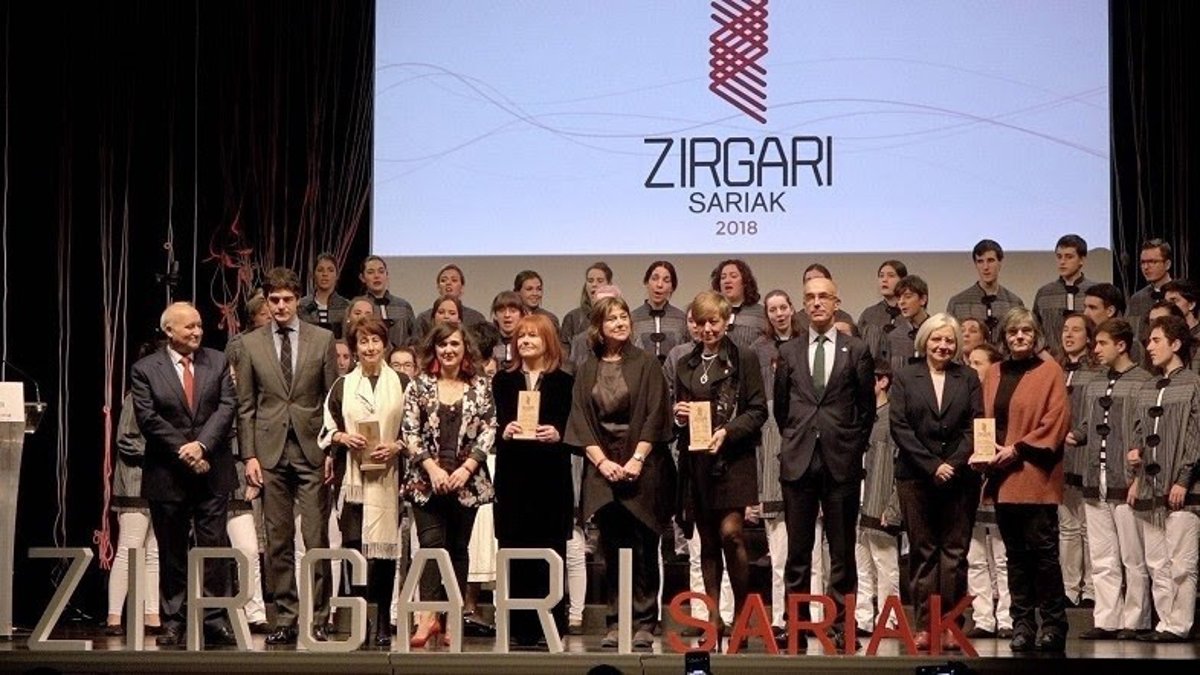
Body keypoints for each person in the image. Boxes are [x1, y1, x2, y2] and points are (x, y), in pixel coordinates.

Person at [235, 266, 339, 645]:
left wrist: (332, 449)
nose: (280, 306)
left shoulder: (322, 338)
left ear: (298, 300)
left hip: (312, 448)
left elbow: (332, 399)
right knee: (278, 540)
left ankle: (320, 616)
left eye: (287, 299)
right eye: (274, 300)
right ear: (266, 301)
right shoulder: (250, 344)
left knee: (315, 537)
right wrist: (249, 456)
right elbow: (246, 405)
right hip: (270, 451)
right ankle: (286, 616)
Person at [565, 296, 674, 650]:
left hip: (643, 466)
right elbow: (580, 420)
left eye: (623, 316)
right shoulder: (587, 368)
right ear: (599, 326)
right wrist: (603, 463)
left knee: (644, 545)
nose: (620, 322)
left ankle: (645, 622)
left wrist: (636, 459)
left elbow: (656, 414)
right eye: (611, 318)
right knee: (610, 547)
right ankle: (615, 621)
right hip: (604, 468)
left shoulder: (647, 363)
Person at [773, 276, 875, 651]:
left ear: (836, 303)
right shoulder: (789, 351)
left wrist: (849, 445)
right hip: (799, 460)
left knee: (842, 551)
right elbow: (782, 408)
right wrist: (797, 438)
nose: (816, 303)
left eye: (824, 297)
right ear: (804, 305)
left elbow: (866, 410)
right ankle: (796, 625)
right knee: (798, 551)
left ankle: (842, 626)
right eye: (810, 298)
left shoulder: (857, 349)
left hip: (841, 461)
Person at [130, 302, 239, 647]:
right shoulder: (145, 369)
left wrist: (202, 446)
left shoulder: (218, 361)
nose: (197, 332)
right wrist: (186, 451)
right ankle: (174, 619)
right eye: (189, 326)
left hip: (212, 469)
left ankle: (214, 618)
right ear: (169, 331)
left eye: (199, 325)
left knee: (214, 549)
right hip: (168, 473)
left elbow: (227, 408)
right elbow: (148, 419)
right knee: (172, 551)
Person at [973, 307, 1070, 652]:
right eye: (1013, 332)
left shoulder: (1050, 370)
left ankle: (1054, 625)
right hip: (1002, 477)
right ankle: (1022, 625)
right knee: (1014, 557)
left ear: (1036, 335)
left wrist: (1016, 449)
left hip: (1035, 475)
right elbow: (985, 419)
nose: (1019, 337)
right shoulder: (994, 372)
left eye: (1026, 331)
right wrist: (984, 453)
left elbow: (1056, 421)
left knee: (1043, 556)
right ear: (1004, 337)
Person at [672, 291, 767, 631]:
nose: (707, 329)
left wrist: (727, 432)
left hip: (733, 460)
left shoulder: (745, 358)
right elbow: (677, 413)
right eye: (701, 323)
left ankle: (741, 614)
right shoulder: (685, 363)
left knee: (732, 535)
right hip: (697, 462)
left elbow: (758, 410)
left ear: (727, 321)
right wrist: (679, 416)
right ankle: (713, 619)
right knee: (708, 543)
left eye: (713, 321)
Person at [890, 313, 982, 650]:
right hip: (916, 476)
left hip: (960, 478)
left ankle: (951, 625)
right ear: (924, 341)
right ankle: (926, 626)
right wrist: (932, 466)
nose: (943, 346)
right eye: (936, 339)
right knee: (924, 552)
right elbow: (899, 427)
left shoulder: (968, 377)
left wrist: (952, 464)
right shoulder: (905, 376)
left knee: (954, 554)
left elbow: (976, 425)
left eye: (949, 340)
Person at [401, 322, 496, 648]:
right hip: (426, 482)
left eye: (454, 344)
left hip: (466, 482)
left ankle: (453, 616)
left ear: (464, 347)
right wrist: (432, 469)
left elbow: (489, 430)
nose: (448, 350)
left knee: (458, 548)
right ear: (434, 349)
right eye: (442, 345)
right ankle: (428, 616)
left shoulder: (480, 386)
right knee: (430, 544)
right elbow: (409, 432)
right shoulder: (418, 385)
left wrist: (466, 470)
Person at [317, 315, 408, 647]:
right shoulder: (342, 385)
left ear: (385, 344)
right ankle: (361, 619)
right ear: (354, 348)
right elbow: (326, 428)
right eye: (363, 341)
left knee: (383, 554)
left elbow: (414, 428)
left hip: (388, 477)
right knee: (355, 549)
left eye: (375, 340)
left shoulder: (402, 382)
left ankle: (382, 619)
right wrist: (343, 437)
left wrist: (397, 445)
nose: (370, 347)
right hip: (352, 480)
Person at [492, 313, 575, 648]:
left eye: (533, 336)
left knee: (550, 551)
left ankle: (551, 626)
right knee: (514, 549)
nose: (526, 341)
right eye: (521, 337)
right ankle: (518, 626)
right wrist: (504, 431)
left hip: (550, 479)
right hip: (514, 478)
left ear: (548, 342)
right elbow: (489, 426)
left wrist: (559, 433)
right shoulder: (502, 381)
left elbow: (576, 428)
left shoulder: (564, 382)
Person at [1069, 318, 1152, 640]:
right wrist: (1074, 435)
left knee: (1133, 556)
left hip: (1125, 478)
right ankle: (1107, 619)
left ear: (1121, 345)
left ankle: (1136, 620)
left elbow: (1146, 431)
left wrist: (1138, 475)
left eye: (1103, 343)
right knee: (1102, 556)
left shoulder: (1143, 382)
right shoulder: (1094, 383)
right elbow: (1087, 424)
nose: (1097, 349)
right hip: (1095, 477)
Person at [1126, 315, 1200, 643]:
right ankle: (1165, 622)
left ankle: (1180, 624)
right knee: (1157, 560)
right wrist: (1136, 458)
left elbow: (1195, 436)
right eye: (1149, 341)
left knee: (1181, 561)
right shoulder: (1148, 387)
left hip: (1183, 487)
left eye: (1156, 340)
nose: (1150, 347)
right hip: (1151, 487)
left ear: (1176, 344)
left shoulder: (1194, 384)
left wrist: (1184, 478)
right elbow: (1140, 431)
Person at [106, 343, 162, 636]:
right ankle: (114, 616)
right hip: (136, 481)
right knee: (129, 549)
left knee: (153, 551)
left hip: (159, 482)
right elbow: (126, 439)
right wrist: (163, 453)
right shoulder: (136, 397)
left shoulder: (162, 398)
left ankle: (152, 615)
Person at [962, 342, 1012, 640]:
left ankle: (1006, 617)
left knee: (1003, 558)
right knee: (976, 557)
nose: (971, 368)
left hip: (1000, 480)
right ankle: (983, 618)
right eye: (969, 362)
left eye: (978, 363)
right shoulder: (965, 396)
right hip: (970, 483)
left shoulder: (1001, 397)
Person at [855, 358, 901, 635]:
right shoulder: (859, 416)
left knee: (885, 564)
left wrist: (894, 505)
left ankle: (889, 619)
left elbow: (902, 465)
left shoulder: (893, 418)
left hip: (880, 499)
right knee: (861, 566)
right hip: (858, 500)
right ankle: (863, 619)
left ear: (882, 381)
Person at [1058, 313, 1100, 609]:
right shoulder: (1056, 370)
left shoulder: (1096, 373)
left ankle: (1092, 589)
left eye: (1076, 330)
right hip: (1059, 458)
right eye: (1065, 330)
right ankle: (1069, 587)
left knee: (1088, 527)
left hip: (1085, 456)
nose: (1069, 335)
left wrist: (1078, 433)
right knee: (1068, 526)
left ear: (1089, 336)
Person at [946, 239, 1025, 343]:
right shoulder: (957, 303)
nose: (985, 267)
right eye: (980, 261)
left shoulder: (1014, 302)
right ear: (975, 264)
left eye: (990, 261)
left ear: (1000, 262)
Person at [1033, 235, 1097, 358]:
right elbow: (1036, 331)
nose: (1062, 262)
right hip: (1051, 360)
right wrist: (1045, 356)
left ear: (1082, 260)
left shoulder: (1095, 291)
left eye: (1069, 257)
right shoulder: (1044, 293)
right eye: (1059, 257)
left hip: (1090, 361)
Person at [631, 261, 688, 365]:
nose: (659, 284)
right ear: (646, 282)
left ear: (672, 287)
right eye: (654, 278)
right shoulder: (633, 318)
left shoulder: (682, 319)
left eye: (666, 280)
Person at [414, 264, 489, 336]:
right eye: (443, 280)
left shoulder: (476, 318)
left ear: (462, 288)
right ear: (438, 288)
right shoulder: (424, 318)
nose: (448, 283)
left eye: (454, 280)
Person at [710, 259, 767, 351]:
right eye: (723, 277)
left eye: (733, 276)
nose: (727, 281)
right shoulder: (710, 311)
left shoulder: (761, 314)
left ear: (745, 282)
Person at [359, 255, 416, 348]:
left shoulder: (403, 306)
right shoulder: (359, 307)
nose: (376, 276)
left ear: (387, 275)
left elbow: (415, 339)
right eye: (370, 272)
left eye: (381, 271)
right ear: (362, 277)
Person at [560, 262, 613, 351]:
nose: (594, 284)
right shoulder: (572, 318)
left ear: (609, 285)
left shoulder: (617, 315)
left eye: (600, 281)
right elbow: (565, 353)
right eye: (590, 281)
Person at [1127, 238, 1174, 337]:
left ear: (1167, 264)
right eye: (1142, 262)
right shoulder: (1137, 299)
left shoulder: (1181, 295)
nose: (1146, 267)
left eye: (1152, 262)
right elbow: (1131, 333)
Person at [299, 253, 351, 338]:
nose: (325, 274)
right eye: (320, 270)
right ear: (313, 274)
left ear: (337, 275)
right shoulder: (302, 305)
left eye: (330, 270)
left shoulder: (347, 306)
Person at [795, 264, 856, 332]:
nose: (814, 283)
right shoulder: (796, 320)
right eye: (809, 280)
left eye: (818, 279)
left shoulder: (844, 319)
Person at [857, 259, 908, 340]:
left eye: (891, 276)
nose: (884, 280)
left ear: (903, 281)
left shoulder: (911, 313)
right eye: (881, 276)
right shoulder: (869, 314)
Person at [490, 291, 528, 370]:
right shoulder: (489, 344)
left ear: (522, 315)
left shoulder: (527, 343)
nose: (507, 315)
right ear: (495, 315)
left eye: (513, 311)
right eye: (501, 311)